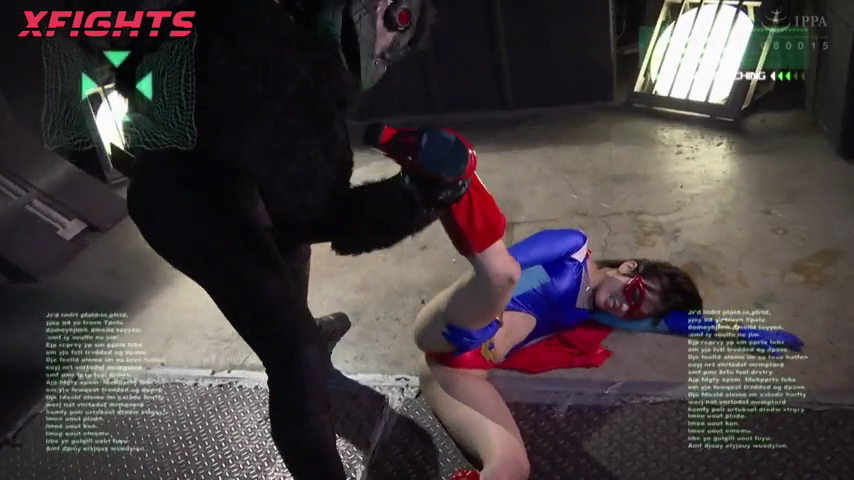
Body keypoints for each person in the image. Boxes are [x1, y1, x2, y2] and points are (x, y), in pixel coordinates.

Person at [61, 0, 477, 479]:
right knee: (295, 357)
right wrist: (416, 197)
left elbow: (303, 210)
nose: (390, 48)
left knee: (291, 254)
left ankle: (304, 326)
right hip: (185, 203)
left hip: (236, 180)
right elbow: (322, 214)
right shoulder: (267, 49)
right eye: (396, 22)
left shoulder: (292, 48)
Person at [412, 197, 804, 480]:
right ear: (628, 266)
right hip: (449, 323)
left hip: (458, 372)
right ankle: (455, 183)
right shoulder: (572, 249)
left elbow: (680, 324)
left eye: (636, 312)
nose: (624, 308)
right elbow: (503, 262)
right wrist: (487, 309)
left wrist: (748, 334)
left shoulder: (596, 311)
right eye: (633, 294)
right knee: (501, 276)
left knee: (512, 468)